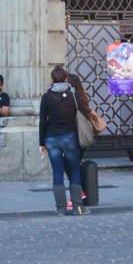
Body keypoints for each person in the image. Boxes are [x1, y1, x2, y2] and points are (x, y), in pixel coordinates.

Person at [39, 65, 85, 216]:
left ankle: (60, 209)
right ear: (65, 79)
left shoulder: (46, 97)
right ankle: (78, 208)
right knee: (75, 170)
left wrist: (41, 143)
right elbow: (83, 113)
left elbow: (43, 121)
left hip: (51, 138)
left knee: (57, 172)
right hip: (69, 137)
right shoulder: (73, 96)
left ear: (52, 79)